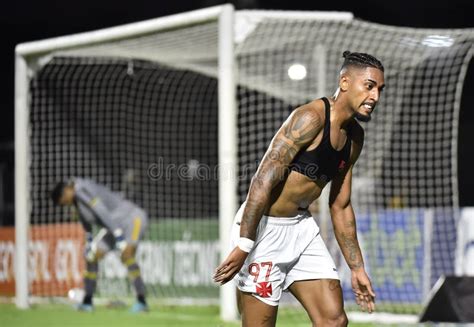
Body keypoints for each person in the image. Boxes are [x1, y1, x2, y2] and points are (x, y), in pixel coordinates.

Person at [214, 51, 385, 327]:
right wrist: (245, 244)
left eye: (379, 89)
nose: (375, 96)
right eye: (369, 86)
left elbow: (340, 205)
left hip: (301, 230)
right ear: (344, 82)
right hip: (264, 231)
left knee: (334, 320)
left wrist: (357, 268)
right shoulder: (310, 118)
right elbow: (262, 180)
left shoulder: (355, 137)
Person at [50, 177, 149, 312]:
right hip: (114, 226)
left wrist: (118, 234)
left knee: (127, 255)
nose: (65, 204)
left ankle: (141, 301)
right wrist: (90, 241)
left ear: (66, 191)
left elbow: (101, 211)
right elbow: (86, 223)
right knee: (92, 257)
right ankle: (87, 302)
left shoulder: (81, 190)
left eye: (63, 200)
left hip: (131, 218)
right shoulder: (77, 201)